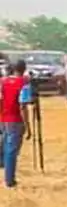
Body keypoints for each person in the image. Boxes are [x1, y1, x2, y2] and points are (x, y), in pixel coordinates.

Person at [0, 60, 33, 188]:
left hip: (3, 118)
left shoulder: (2, 82)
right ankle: (9, 179)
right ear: (24, 69)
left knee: (5, 144)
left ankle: (4, 166)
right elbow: (22, 106)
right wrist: (27, 126)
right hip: (16, 120)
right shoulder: (24, 84)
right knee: (12, 150)